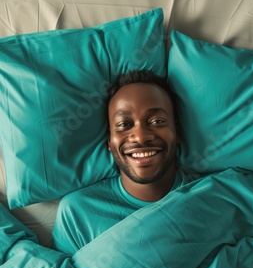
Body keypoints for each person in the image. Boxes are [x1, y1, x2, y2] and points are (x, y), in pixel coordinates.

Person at [52, 69, 199, 255]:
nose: (140, 137)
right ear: (109, 141)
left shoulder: (214, 195)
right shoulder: (77, 213)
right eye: (124, 124)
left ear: (177, 133)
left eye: (157, 121)